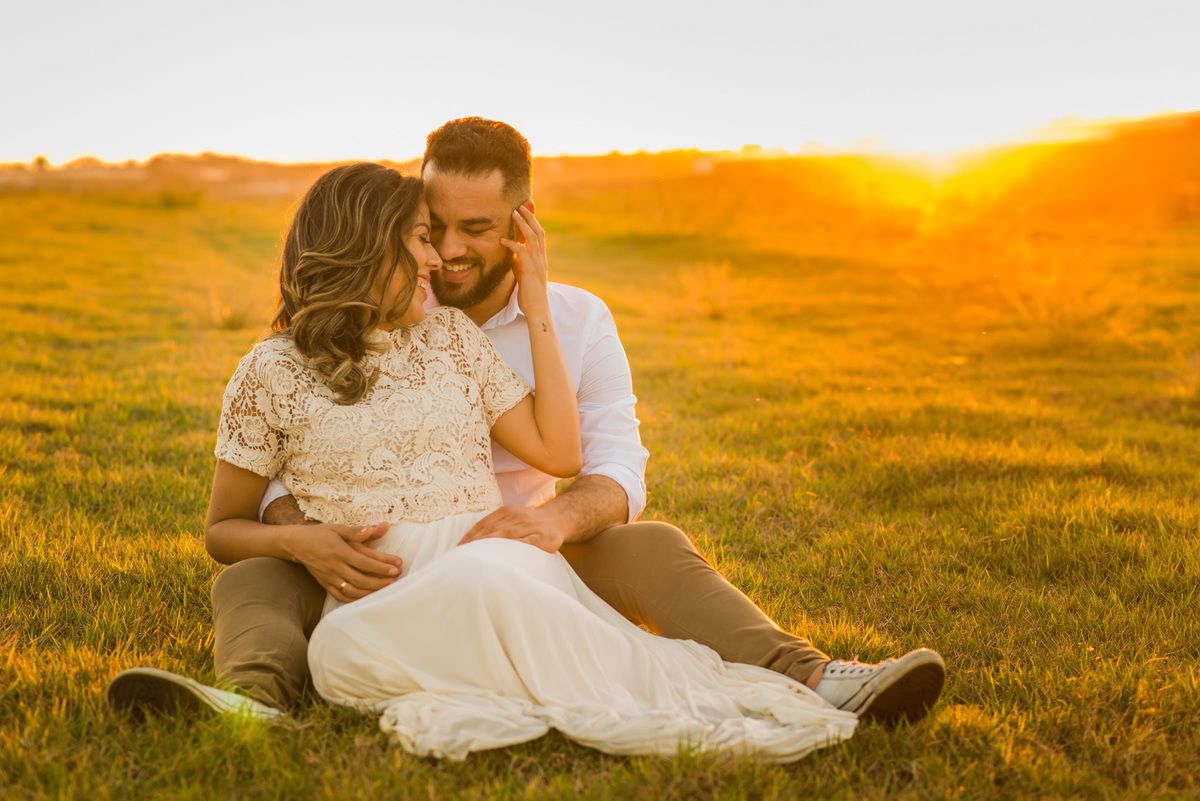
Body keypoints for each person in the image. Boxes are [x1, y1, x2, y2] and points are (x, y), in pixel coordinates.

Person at [109, 119, 944, 731]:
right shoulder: (312, 353)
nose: (446, 252)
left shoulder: (567, 324)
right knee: (254, 577)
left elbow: (605, 463)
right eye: (430, 228)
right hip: (360, 556)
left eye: (474, 230)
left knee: (653, 544)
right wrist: (301, 533)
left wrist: (549, 521)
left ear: (521, 222)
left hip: (522, 549)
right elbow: (284, 474)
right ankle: (251, 702)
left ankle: (814, 676)